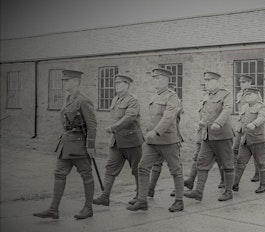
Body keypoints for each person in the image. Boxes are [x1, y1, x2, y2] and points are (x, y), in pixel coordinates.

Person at [33, 70, 97, 219]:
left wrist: (90, 146)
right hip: (66, 145)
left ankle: (88, 208)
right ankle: (53, 209)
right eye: (64, 80)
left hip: (80, 146)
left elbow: (92, 125)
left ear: (75, 81)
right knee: (59, 174)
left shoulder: (83, 100)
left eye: (67, 80)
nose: (64, 83)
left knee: (86, 175)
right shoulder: (68, 98)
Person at [127, 68, 184, 212]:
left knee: (175, 170)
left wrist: (156, 132)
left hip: (168, 140)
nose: (155, 81)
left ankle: (179, 201)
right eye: (154, 78)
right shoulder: (154, 97)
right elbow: (152, 119)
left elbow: (168, 117)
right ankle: (142, 200)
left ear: (166, 80)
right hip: (152, 142)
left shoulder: (172, 97)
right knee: (142, 167)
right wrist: (149, 132)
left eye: (158, 78)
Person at [92, 74, 144, 206]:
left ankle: (140, 197)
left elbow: (129, 118)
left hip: (131, 141)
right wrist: (114, 131)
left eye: (120, 83)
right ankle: (105, 196)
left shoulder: (133, 101)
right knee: (110, 168)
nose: (116, 85)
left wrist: (113, 128)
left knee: (137, 170)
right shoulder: (115, 99)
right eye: (116, 83)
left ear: (127, 85)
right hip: (116, 141)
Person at [184, 71, 235, 201]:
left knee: (227, 164)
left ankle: (228, 192)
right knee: (202, 163)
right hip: (207, 136)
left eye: (209, 81)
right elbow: (204, 113)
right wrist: (201, 123)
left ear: (216, 81)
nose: (206, 83)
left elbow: (228, 109)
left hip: (222, 136)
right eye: (205, 81)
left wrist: (218, 122)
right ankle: (198, 192)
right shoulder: (206, 96)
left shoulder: (225, 94)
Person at [232, 87, 265, 193]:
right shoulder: (244, 107)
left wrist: (254, 124)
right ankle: (235, 184)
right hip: (245, 139)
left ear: (256, 96)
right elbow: (240, 121)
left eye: (250, 95)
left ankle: (262, 185)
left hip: (257, 139)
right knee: (240, 162)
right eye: (246, 95)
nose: (247, 97)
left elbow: (263, 117)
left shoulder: (261, 106)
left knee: (261, 163)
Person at [233, 75, 262, 183]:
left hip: (252, 125)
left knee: (255, 150)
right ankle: (233, 174)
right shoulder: (239, 94)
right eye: (240, 82)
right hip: (241, 125)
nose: (242, 84)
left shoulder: (255, 93)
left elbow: (259, 107)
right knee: (235, 148)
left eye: (244, 82)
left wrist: (254, 124)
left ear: (250, 83)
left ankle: (258, 173)